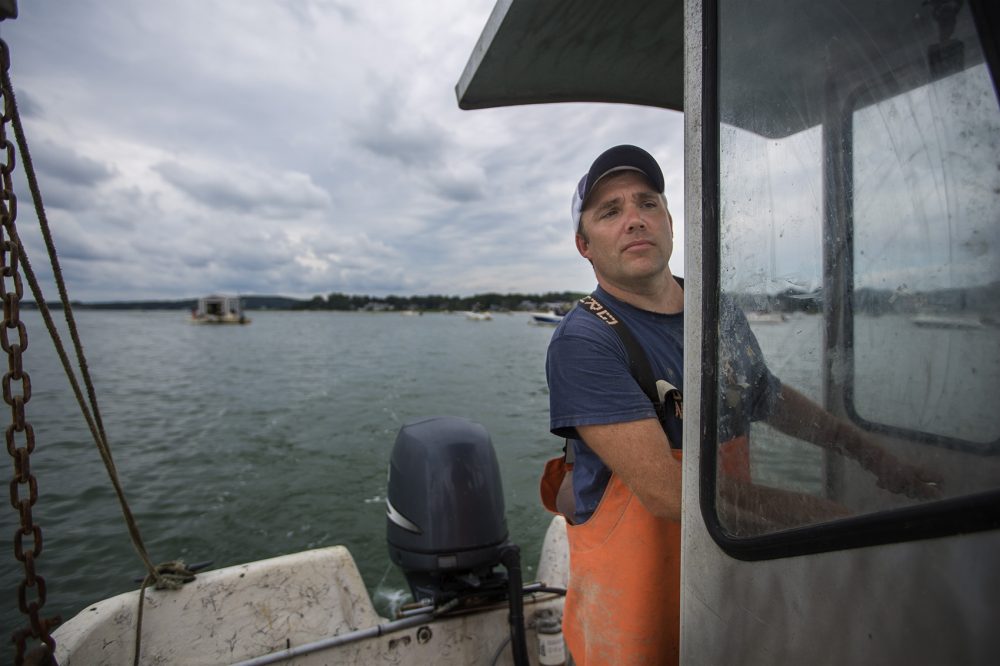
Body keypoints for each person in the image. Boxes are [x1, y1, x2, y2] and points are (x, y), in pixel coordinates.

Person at [542, 145, 940, 665]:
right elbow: (668, 493)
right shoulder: (586, 339)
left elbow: (766, 397)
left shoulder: (716, 311)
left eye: (648, 203)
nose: (635, 220)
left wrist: (869, 453)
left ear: (669, 222)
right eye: (611, 212)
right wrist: (817, 520)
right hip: (632, 618)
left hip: (727, 580)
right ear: (583, 245)